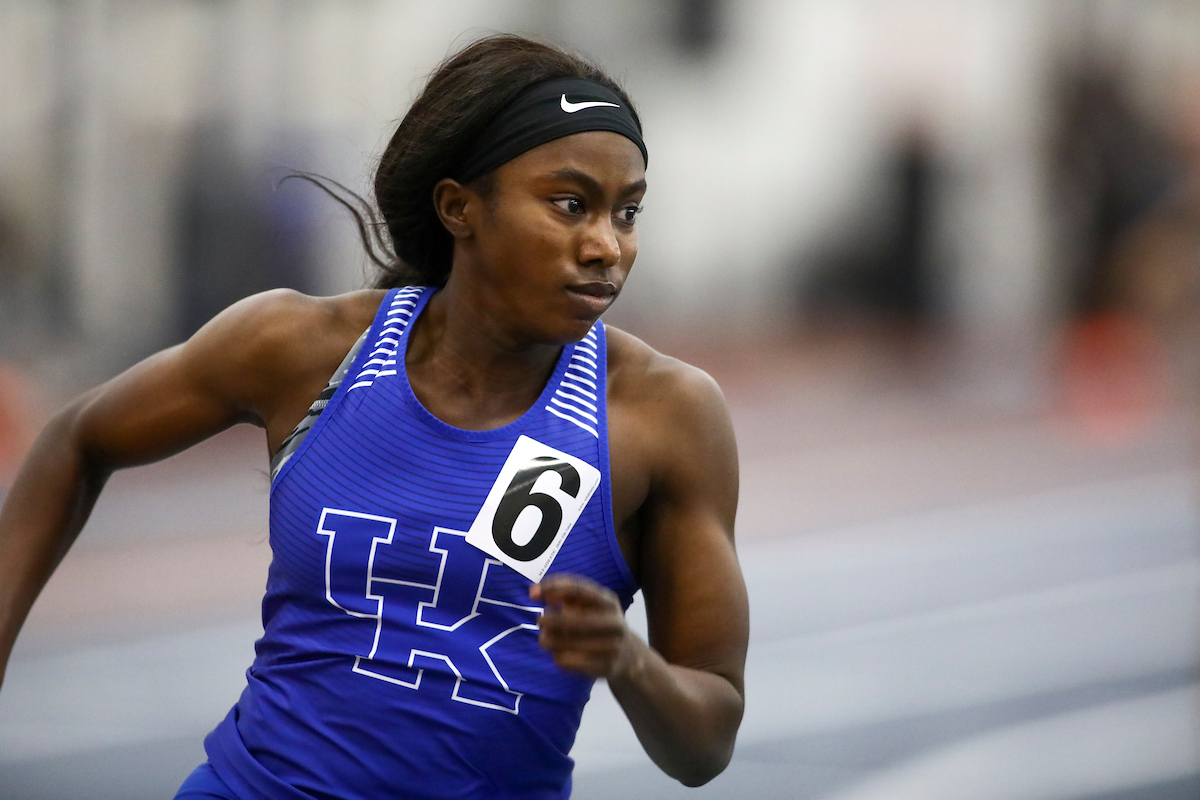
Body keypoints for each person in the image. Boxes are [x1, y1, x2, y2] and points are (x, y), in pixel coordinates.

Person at [0, 34, 748, 799]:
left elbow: (707, 742)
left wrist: (629, 661)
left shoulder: (663, 415)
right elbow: (75, 440)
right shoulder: (302, 348)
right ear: (460, 207)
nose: (605, 247)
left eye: (627, 213)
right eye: (569, 204)